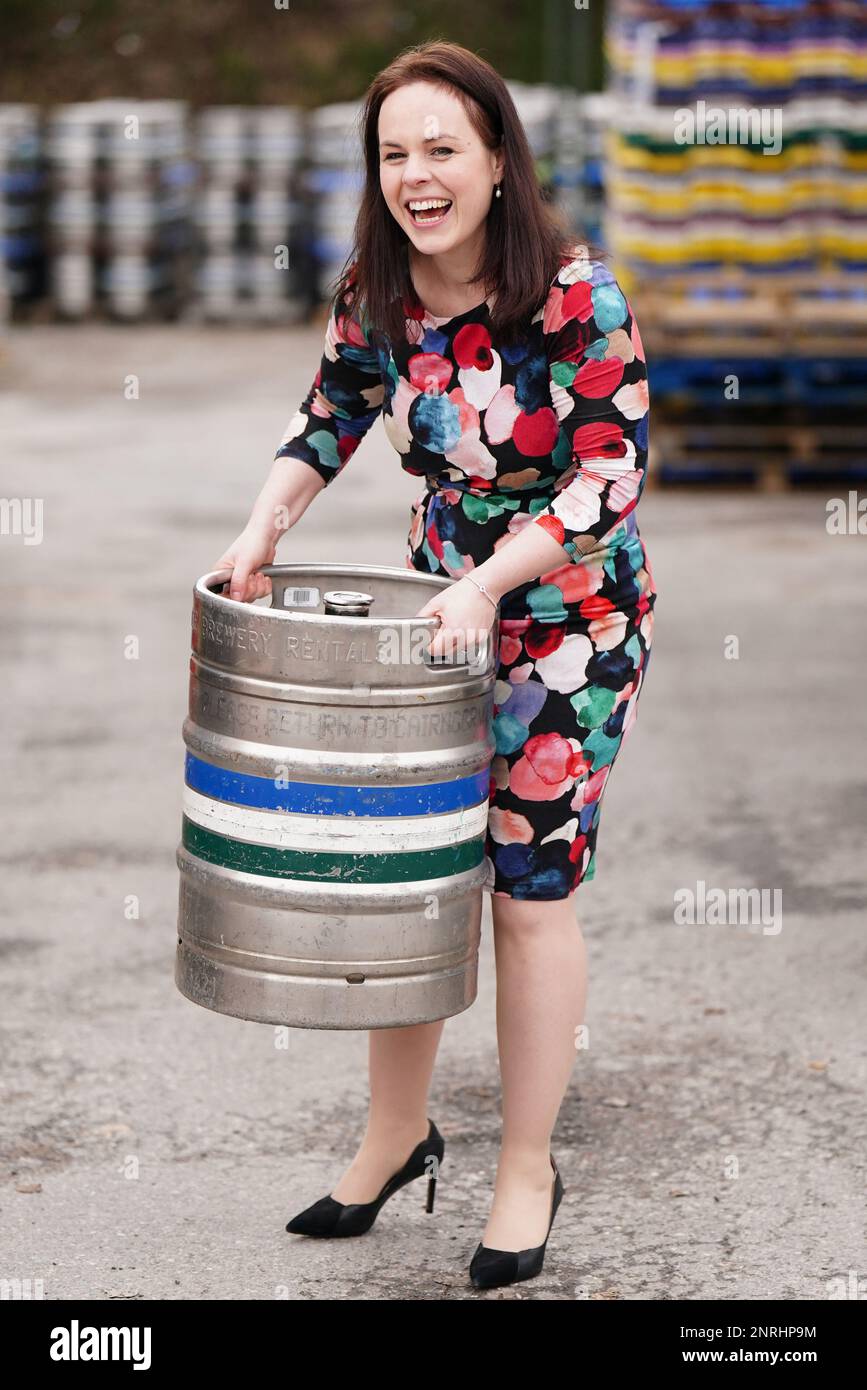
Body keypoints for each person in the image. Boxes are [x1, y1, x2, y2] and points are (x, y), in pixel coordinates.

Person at [212, 40, 657, 1292]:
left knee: (528, 892)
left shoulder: (577, 294)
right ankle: (396, 1134)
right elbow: (330, 412)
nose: (418, 175)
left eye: (443, 149)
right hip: (434, 608)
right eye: (395, 153)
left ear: (500, 161)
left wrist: (488, 582)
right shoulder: (379, 286)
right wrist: (264, 526)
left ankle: (526, 1163)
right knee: (411, 873)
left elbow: (610, 475)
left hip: (569, 617)